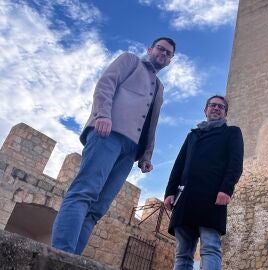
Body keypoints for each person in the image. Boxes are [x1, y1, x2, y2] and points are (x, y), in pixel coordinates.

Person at [51, 37, 176, 255]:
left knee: (98, 209)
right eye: (160, 49)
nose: (163, 54)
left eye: (168, 54)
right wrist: (102, 114)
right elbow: (106, 83)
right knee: (84, 192)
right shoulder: (130, 61)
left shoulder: (159, 87)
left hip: (131, 152)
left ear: (170, 60)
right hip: (107, 133)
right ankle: (60, 254)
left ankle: (72, 259)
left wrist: (146, 155)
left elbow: (152, 122)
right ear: (150, 49)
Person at [164, 95, 244, 270]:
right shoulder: (192, 136)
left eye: (220, 107)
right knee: (183, 253)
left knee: (210, 247)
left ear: (225, 113)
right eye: (212, 105)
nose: (216, 108)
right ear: (205, 109)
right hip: (185, 199)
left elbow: (235, 164)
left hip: (212, 197)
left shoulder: (232, 133)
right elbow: (178, 166)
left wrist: (226, 189)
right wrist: (170, 193)